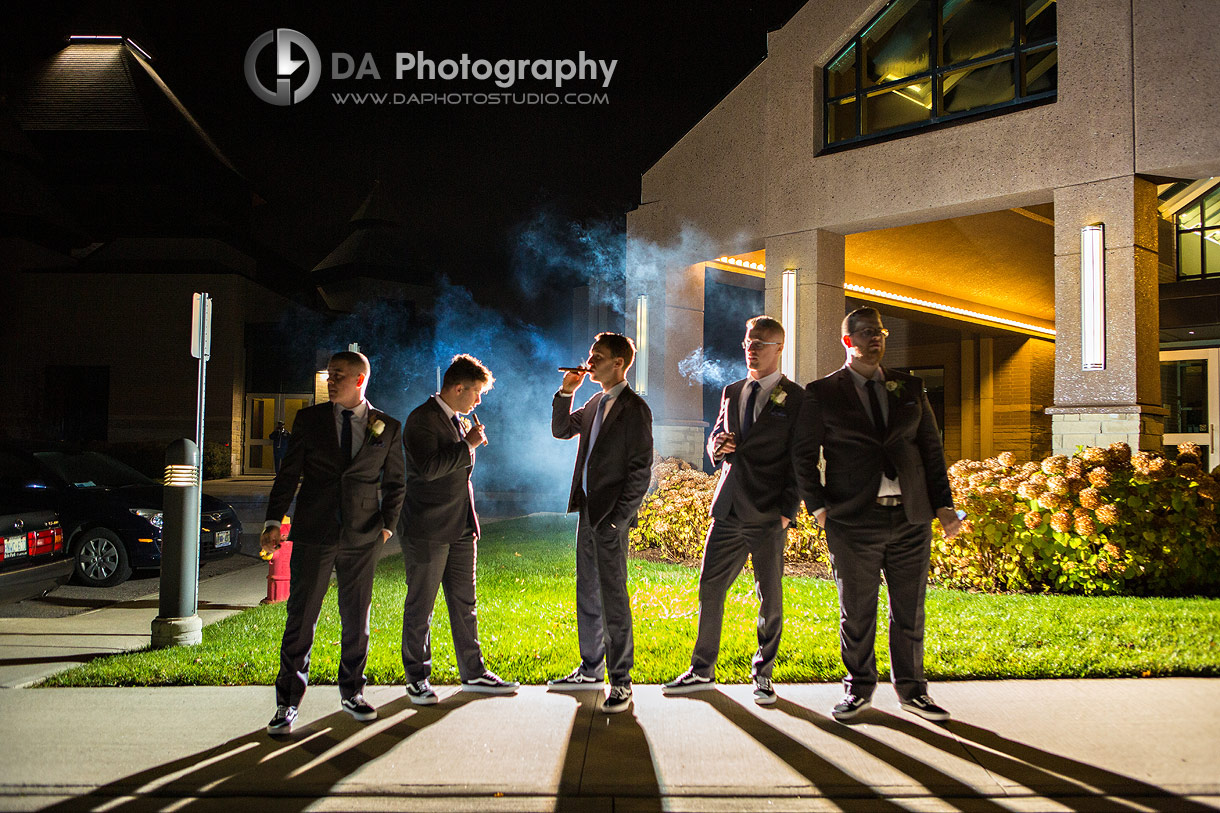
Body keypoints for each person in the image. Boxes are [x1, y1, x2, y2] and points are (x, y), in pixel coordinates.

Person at [793, 306, 961, 722]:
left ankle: (912, 691)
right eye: (866, 332)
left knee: (910, 608)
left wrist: (944, 508)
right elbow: (802, 456)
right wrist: (818, 507)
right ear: (847, 340)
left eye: (880, 331)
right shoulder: (822, 392)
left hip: (911, 518)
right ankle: (858, 689)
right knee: (858, 611)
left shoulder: (909, 387)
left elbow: (931, 452)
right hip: (853, 520)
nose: (876, 338)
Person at [261, 351, 405, 736]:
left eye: (338, 375)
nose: (330, 382)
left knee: (357, 617)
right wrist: (275, 520)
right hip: (314, 530)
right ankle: (286, 702)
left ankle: (353, 692)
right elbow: (288, 474)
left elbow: (395, 484)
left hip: (363, 535)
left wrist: (387, 527)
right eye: (329, 375)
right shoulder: (308, 420)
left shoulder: (387, 426)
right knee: (301, 615)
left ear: (360, 380)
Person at [662, 316, 804, 706]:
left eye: (760, 342)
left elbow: (801, 458)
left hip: (769, 512)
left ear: (779, 347)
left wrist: (786, 511)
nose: (751, 348)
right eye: (747, 341)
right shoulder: (732, 390)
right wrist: (716, 446)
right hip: (727, 507)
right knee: (710, 588)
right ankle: (702, 670)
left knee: (769, 597)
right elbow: (717, 438)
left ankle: (763, 674)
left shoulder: (796, 398)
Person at [399, 353, 519, 705]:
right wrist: (467, 444)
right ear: (457, 387)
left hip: (461, 526)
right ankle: (417, 678)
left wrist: (468, 440)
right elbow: (428, 469)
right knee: (421, 605)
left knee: (465, 603)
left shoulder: (458, 421)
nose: (479, 400)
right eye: (476, 393)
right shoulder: (421, 420)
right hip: (427, 528)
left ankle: (474, 672)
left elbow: (457, 471)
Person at [548, 332, 653, 714]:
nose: (589, 361)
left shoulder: (635, 408)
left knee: (613, 598)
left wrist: (618, 520)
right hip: (589, 511)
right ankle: (591, 669)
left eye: (598, 356)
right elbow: (561, 430)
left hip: (611, 517)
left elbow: (641, 472)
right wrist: (566, 392)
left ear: (619, 364)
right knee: (588, 591)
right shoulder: (594, 401)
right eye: (590, 354)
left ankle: (621, 681)